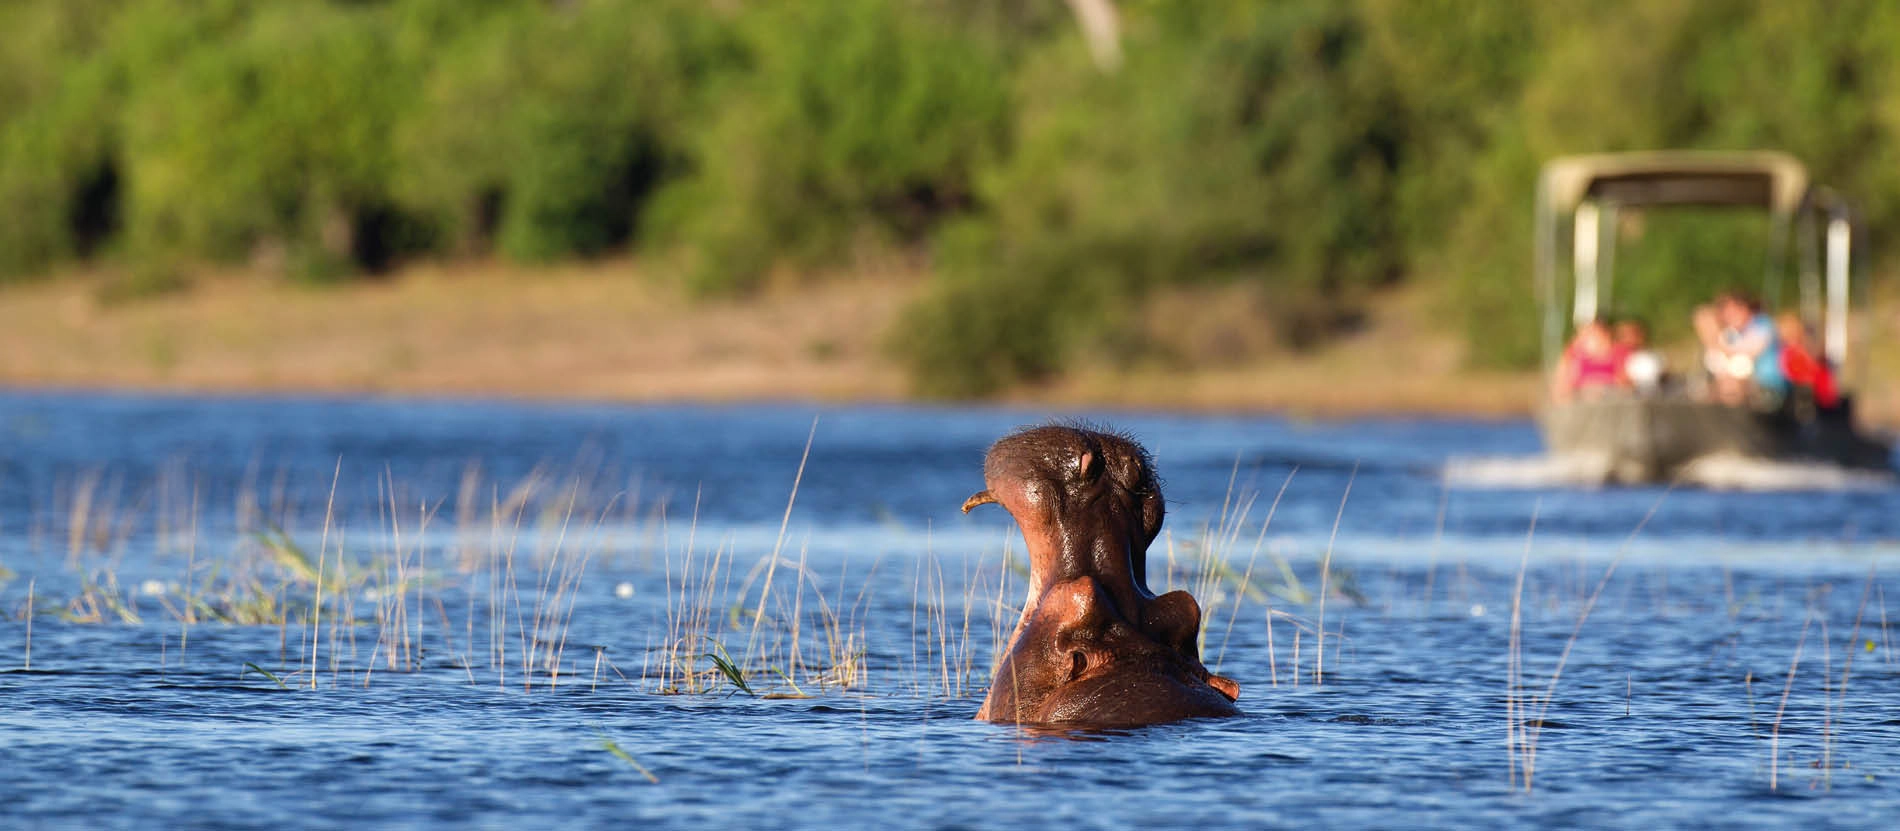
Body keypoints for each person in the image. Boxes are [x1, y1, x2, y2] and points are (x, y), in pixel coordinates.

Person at [1700, 290, 1785, 406]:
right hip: (1752, 388)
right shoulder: (1735, 333)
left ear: (1744, 308)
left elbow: (1752, 350)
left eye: (1732, 313)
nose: (1729, 318)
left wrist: (1714, 340)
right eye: (1727, 315)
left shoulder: (1763, 324)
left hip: (1770, 387)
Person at [1551, 319, 1625, 403]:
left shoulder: (1618, 352)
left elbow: (1624, 384)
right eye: (1588, 334)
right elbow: (1561, 386)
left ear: (1605, 334)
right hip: (1582, 400)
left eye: (1596, 334)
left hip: (1609, 399)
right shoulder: (1573, 354)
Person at [1776, 312, 1839, 410]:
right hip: (1800, 394)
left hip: (1817, 396)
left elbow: (1814, 369)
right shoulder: (1786, 350)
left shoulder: (1804, 347)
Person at [1613, 317, 1664, 394]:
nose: (1629, 338)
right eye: (1624, 335)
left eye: (1634, 334)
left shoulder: (1652, 356)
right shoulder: (1617, 353)